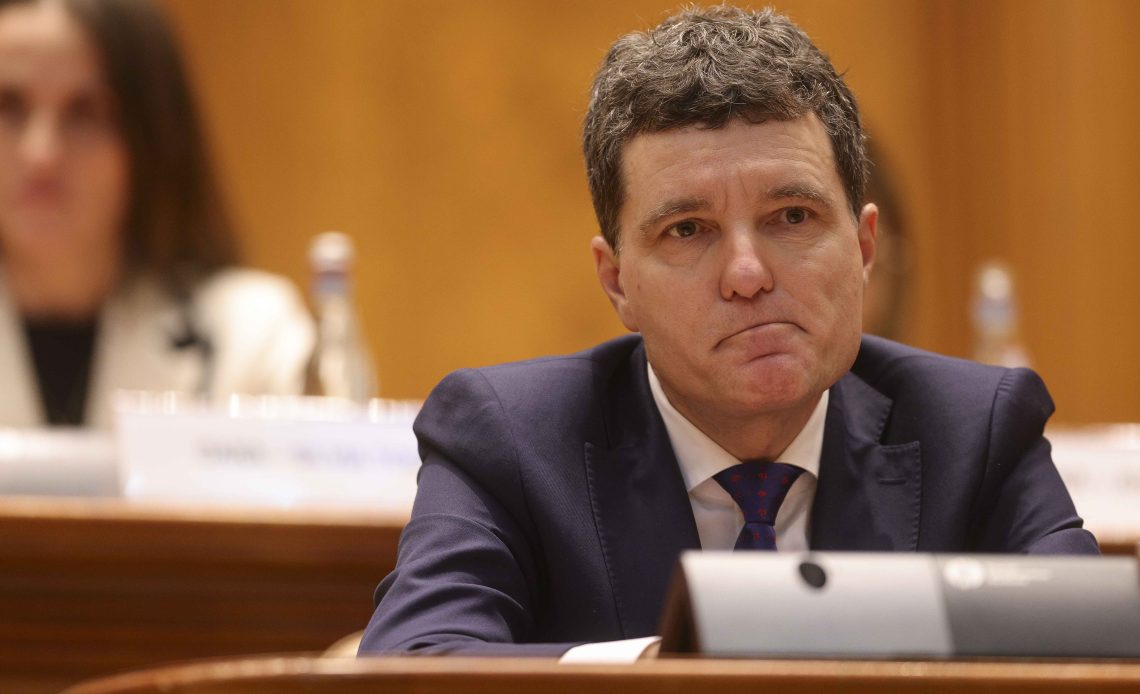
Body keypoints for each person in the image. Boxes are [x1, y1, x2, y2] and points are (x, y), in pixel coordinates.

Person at [359, 5, 1097, 657]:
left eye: (793, 217)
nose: (747, 274)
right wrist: (672, 670)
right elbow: (414, 664)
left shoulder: (975, 429)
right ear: (617, 281)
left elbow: (1096, 649)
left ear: (865, 246)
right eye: (688, 229)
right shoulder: (511, 441)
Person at [0, 0, 312, 428]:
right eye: (9, 106)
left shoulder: (251, 336)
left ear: (152, 135)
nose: (41, 153)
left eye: (86, 112)